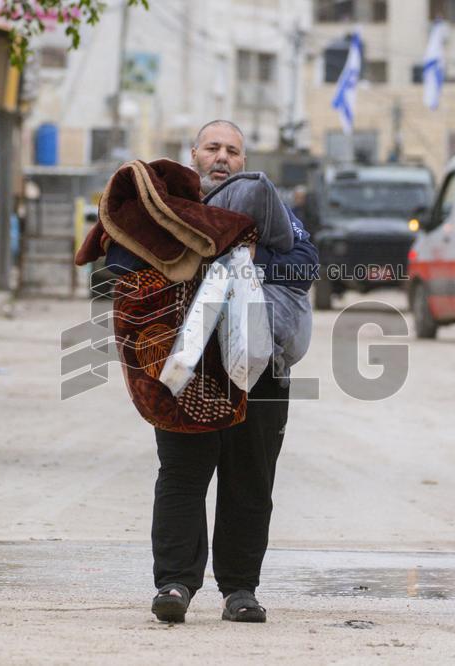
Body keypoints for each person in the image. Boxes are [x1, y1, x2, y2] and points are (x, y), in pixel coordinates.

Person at [148, 120, 318, 624]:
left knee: (251, 479)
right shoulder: (167, 207)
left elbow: (304, 262)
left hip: (261, 367)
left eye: (234, 151)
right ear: (193, 155)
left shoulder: (272, 207)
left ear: (244, 162)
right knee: (181, 475)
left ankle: (240, 590)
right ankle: (175, 584)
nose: (223, 157)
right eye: (213, 148)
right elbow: (127, 262)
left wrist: (248, 257)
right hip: (186, 367)